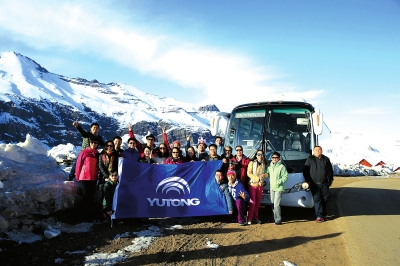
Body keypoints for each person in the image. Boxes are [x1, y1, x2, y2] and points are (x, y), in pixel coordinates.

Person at [302, 146, 334, 222]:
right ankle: (319, 216)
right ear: (313, 151)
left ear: (322, 151)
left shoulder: (326, 159)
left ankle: (323, 214)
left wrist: (330, 180)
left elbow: (330, 170)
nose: (318, 151)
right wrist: (308, 180)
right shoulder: (310, 159)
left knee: (325, 199)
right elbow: (305, 170)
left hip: (325, 183)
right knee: (317, 200)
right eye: (316, 150)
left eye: (319, 150)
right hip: (314, 184)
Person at [75, 137, 100, 217]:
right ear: (90, 143)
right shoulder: (84, 152)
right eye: (92, 142)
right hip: (84, 177)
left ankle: (88, 214)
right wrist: (77, 176)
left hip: (94, 177)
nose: (94, 144)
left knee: (91, 196)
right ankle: (79, 212)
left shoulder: (97, 154)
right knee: (85, 195)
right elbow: (78, 164)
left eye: (95, 143)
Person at [266, 151, 288, 225]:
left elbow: (285, 177)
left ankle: (278, 219)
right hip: (272, 188)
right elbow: (267, 173)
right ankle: (274, 218)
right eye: (273, 157)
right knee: (272, 203)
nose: (274, 159)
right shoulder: (270, 167)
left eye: (276, 157)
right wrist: (263, 175)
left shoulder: (282, 167)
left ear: (279, 158)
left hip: (279, 188)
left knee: (276, 204)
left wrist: (278, 182)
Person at [246, 150, 267, 224]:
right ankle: (249, 219)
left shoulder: (263, 163)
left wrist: (265, 175)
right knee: (252, 202)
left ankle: (255, 218)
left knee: (258, 203)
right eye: (259, 154)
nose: (260, 156)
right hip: (252, 184)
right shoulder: (252, 163)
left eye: (261, 154)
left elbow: (266, 173)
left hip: (260, 185)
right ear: (256, 155)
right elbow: (248, 173)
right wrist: (257, 178)